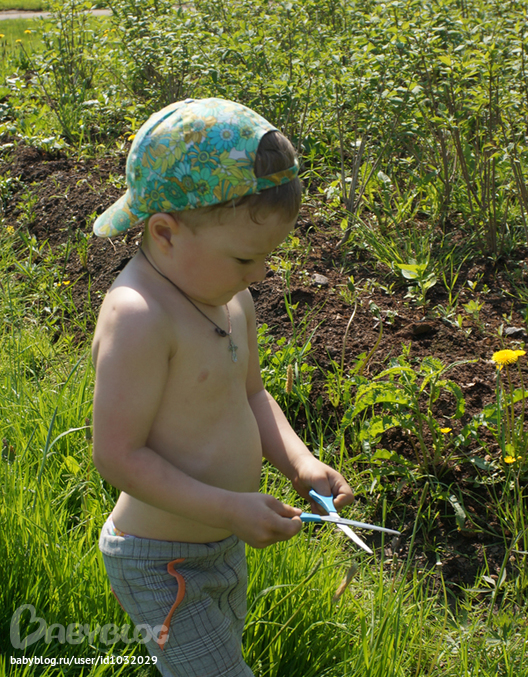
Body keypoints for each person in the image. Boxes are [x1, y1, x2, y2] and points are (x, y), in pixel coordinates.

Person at [92, 97, 353, 677]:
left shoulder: (231, 297)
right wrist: (228, 507)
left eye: (267, 257)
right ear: (165, 233)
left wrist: (300, 463)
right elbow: (116, 454)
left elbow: (252, 395)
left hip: (222, 545)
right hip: (161, 564)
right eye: (243, 258)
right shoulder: (140, 317)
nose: (259, 274)